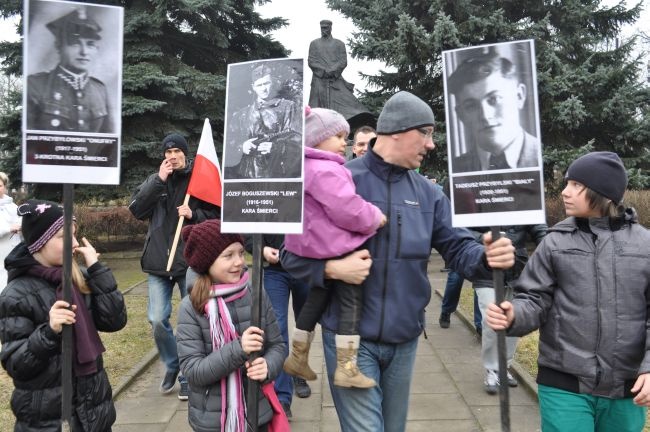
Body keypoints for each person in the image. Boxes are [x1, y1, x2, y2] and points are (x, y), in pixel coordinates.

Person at [281, 91, 515, 431]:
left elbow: (459, 248)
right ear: (398, 131)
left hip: (404, 340)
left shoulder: (429, 194)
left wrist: (487, 256)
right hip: (350, 340)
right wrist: (331, 269)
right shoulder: (340, 180)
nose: (431, 144)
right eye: (426, 133)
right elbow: (290, 255)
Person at [487, 152, 650, 431]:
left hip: (626, 386)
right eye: (567, 184)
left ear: (603, 192)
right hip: (563, 384)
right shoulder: (554, 242)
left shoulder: (645, 245)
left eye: (576, 185)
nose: (565, 192)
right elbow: (534, 298)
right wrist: (514, 315)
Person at [0, 199, 127, 431]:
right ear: (40, 241)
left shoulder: (79, 279)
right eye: (64, 236)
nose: (75, 243)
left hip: (92, 408)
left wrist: (99, 271)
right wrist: (49, 333)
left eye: (75, 234)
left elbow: (115, 321)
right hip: (47, 417)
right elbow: (17, 365)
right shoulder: (16, 295)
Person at [283, 107, 386, 390]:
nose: (345, 142)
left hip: (310, 245)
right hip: (332, 243)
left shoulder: (304, 166)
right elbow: (347, 209)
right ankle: (347, 367)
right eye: (339, 136)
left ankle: (297, 356)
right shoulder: (326, 169)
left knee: (317, 296)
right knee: (352, 297)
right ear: (317, 139)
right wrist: (376, 217)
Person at [129, 133, 219, 399]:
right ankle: (171, 364)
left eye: (177, 151)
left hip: (187, 260)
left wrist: (195, 215)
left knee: (190, 320)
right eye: (168, 152)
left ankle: (188, 376)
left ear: (185, 154)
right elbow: (136, 209)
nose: (172, 156)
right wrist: (158, 181)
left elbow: (217, 215)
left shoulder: (198, 179)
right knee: (157, 318)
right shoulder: (157, 180)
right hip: (157, 261)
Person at [176, 219, 285, 431]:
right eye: (228, 255)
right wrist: (239, 349)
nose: (240, 262)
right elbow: (193, 371)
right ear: (206, 262)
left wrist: (268, 366)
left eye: (241, 253)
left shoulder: (256, 293)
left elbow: (277, 346)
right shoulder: (191, 307)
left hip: (257, 412)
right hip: (212, 421)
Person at [471, 224, 547, 395]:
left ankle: (504, 366)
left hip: (517, 268)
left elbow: (538, 226)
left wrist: (548, 249)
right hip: (485, 268)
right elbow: (462, 229)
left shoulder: (522, 198)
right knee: (491, 321)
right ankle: (492, 368)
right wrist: (484, 239)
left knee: (513, 319)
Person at [244, 234, 312, 418]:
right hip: (275, 271)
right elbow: (248, 219)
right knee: (277, 328)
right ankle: (282, 395)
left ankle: (299, 370)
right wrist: (261, 248)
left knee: (305, 326)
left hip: (306, 265)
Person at [447, 49, 540, 173]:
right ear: (461, 115)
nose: (485, 115)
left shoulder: (544, 157)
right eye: (471, 106)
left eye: (494, 99)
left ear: (519, 96)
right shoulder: (456, 170)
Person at [26, 7, 113, 133]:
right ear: (59, 46)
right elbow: (30, 142)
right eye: (75, 43)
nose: (84, 52)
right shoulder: (35, 86)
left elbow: (110, 143)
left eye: (90, 44)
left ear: (96, 49)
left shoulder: (100, 90)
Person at [224, 64, 302, 179]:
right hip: (246, 175)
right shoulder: (241, 115)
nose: (263, 88)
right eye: (259, 85)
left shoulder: (288, 107)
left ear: (273, 82)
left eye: (266, 83)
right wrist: (242, 146)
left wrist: (276, 147)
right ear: (253, 87)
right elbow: (229, 143)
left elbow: (298, 141)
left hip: (278, 173)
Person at [307, 20, 371, 121]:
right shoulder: (314, 44)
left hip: (335, 79)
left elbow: (343, 61)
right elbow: (311, 61)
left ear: (330, 28)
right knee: (317, 113)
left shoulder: (339, 44)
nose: (323, 30)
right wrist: (323, 71)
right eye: (322, 28)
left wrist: (333, 70)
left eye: (326, 28)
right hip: (319, 81)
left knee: (349, 104)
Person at [438, 270, 482, 335]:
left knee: (481, 282)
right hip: (460, 260)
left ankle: (480, 324)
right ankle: (446, 311)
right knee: (455, 279)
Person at [0, 172, 21, 291]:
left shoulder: (11, 205)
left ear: (5, 187)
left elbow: (20, 221)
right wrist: (9, 228)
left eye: (0, 186)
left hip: (13, 251)